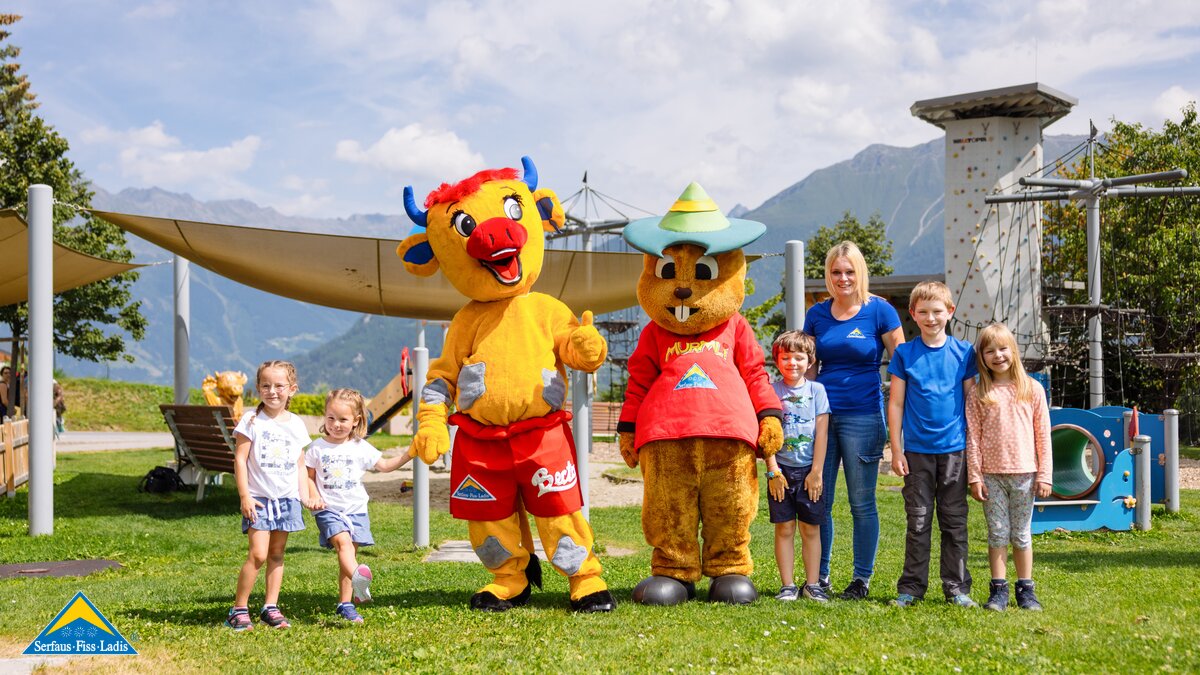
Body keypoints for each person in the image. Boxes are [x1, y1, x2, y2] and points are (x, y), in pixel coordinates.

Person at [804, 241, 904, 600]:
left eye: (849, 271)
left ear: (860, 272)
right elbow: (809, 369)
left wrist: (900, 420)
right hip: (824, 418)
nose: (843, 278)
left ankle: (861, 579)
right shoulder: (816, 314)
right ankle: (820, 578)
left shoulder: (881, 311)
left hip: (864, 415)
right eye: (836, 271)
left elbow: (901, 364)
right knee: (820, 500)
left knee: (862, 504)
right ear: (828, 275)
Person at [888, 281, 978, 607]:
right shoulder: (904, 354)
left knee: (954, 522)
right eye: (923, 312)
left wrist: (975, 451)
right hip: (916, 453)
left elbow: (972, 403)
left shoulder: (964, 353)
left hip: (955, 451)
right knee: (918, 521)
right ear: (913, 314)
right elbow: (896, 403)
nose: (930, 318)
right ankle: (911, 589)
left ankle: (957, 589)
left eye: (937, 311)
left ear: (950, 312)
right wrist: (896, 449)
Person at [305, 388, 412, 623]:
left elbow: (384, 466)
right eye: (331, 418)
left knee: (348, 555)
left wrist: (409, 454)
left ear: (356, 420)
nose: (336, 424)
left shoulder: (359, 446)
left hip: (356, 510)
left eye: (343, 419)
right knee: (343, 545)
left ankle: (346, 605)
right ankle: (358, 578)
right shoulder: (316, 447)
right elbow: (308, 477)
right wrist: (312, 497)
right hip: (328, 509)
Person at [966, 323, 1052, 611]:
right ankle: (998, 590)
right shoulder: (978, 393)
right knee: (998, 533)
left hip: (1025, 475)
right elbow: (973, 437)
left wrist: (1045, 474)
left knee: (1021, 534)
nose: (998, 356)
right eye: (990, 351)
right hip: (991, 476)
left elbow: (1043, 435)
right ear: (982, 357)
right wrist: (975, 476)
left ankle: (1026, 590)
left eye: (1003, 349)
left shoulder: (1032, 389)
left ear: (1013, 351)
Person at [225, 360, 313, 631]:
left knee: (277, 554)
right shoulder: (251, 421)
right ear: (258, 388)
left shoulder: (297, 424)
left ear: (292, 389)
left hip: (286, 500)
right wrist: (245, 496)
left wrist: (304, 496)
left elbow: (300, 465)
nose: (272, 391)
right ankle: (238, 610)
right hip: (259, 500)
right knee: (258, 554)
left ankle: (270, 607)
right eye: (266, 385)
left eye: (279, 385)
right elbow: (240, 460)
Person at [765, 331, 831, 602]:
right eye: (786, 357)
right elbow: (767, 433)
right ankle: (788, 585)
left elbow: (822, 433)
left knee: (810, 529)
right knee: (784, 528)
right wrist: (773, 471)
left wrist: (816, 473)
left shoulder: (817, 391)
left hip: (808, 473)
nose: (792, 363)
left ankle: (812, 584)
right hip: (781, 471)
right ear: (777, 361)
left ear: (810, 361)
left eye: (799, 357)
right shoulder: (771, 391)